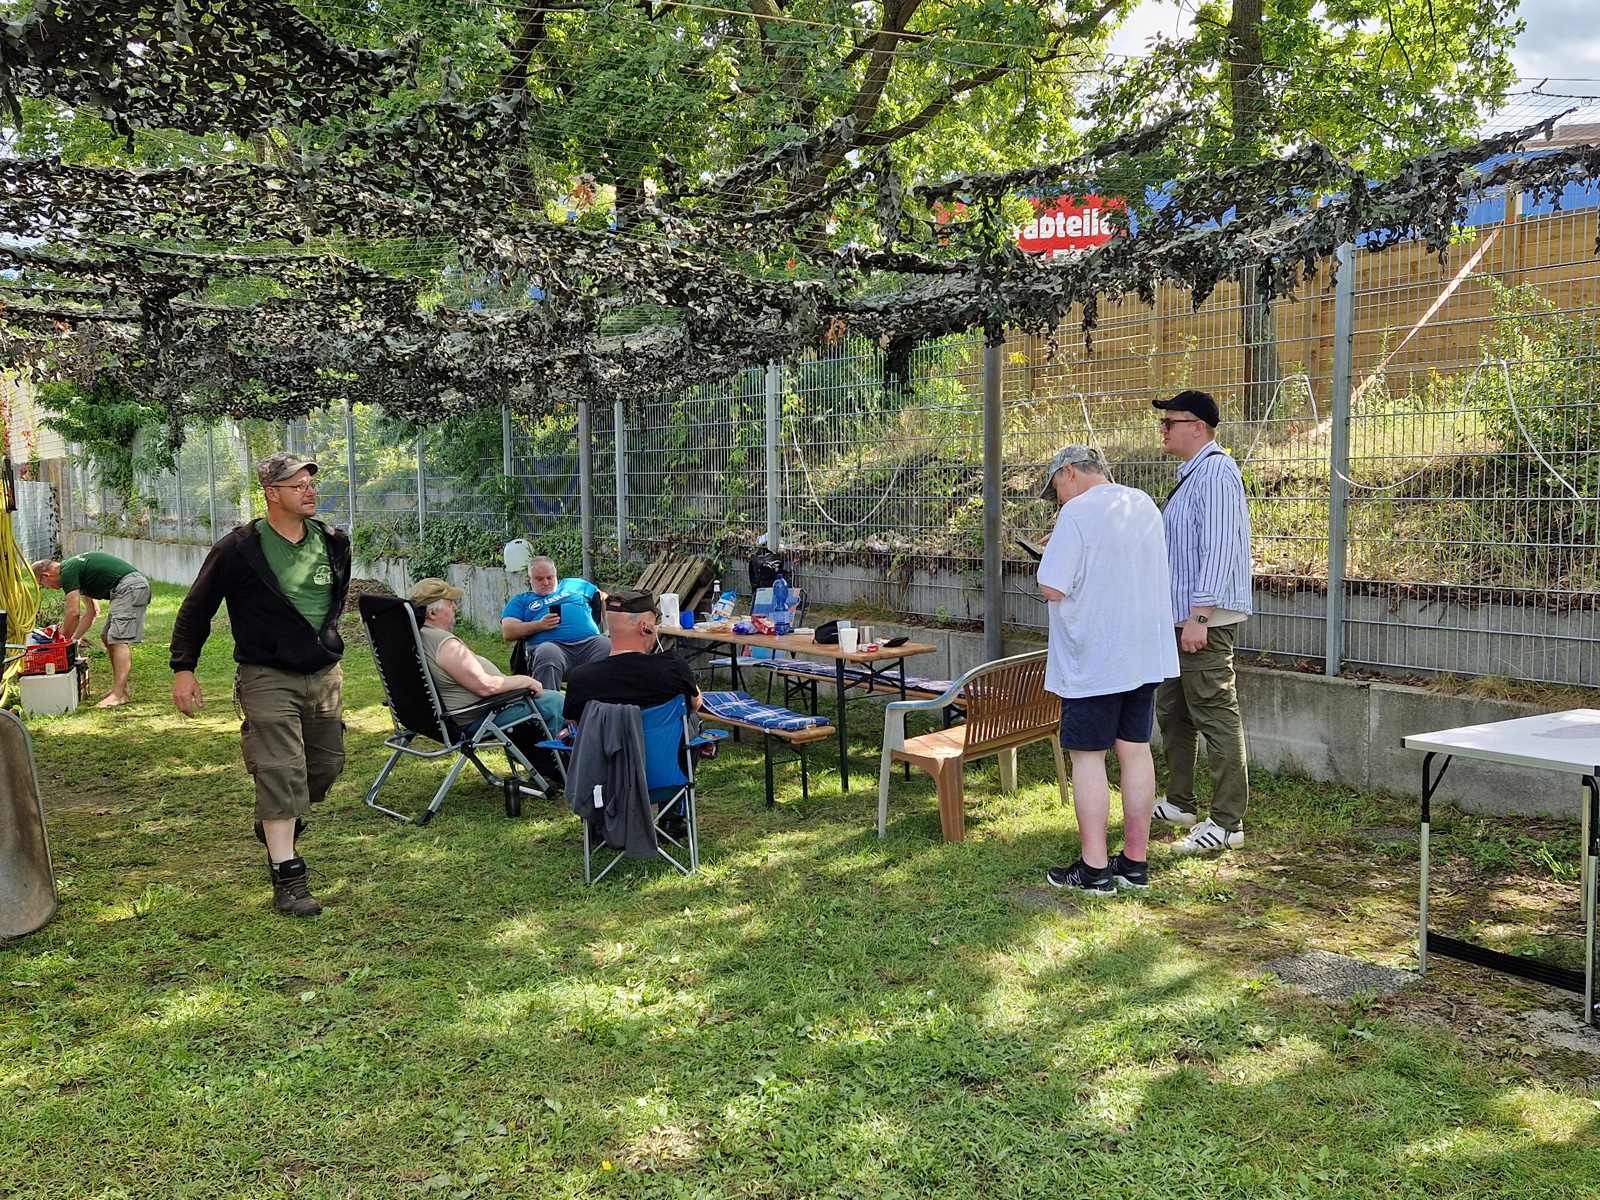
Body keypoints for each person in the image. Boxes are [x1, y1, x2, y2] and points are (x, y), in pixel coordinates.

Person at [170, 452, 350, 918]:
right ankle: (288, 878)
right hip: (266, 675)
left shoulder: (334, 542)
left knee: (325, 765)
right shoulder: (238, 549)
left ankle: (277, 816)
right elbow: (197, 608)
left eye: (311, 482)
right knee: (280, 769)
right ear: (272, 494)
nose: (310, 490)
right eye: (298, 485)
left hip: (323, 672)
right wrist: (184, 668)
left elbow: (330, 603)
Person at [1036, 445, 1178, 896]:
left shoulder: (1075, 514)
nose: (1057, 498)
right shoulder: (1142, 504)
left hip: (1095, 658)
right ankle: (1134, 863)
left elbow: (1052, 588)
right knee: (1135, 751)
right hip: (1143, 653)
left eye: (1055, 487)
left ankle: (1095, 869)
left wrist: (1053, 551)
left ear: (1070, 472)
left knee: (1088, 758)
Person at [1150, 388, 1255, 853]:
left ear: (1198, 428)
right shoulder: (1192, 476)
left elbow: (1218, 549)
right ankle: (1180, 802)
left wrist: (1199, 616)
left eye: (1170, 422)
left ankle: (1228, 824)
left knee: (1214, 712)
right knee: (1173, 710)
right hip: (1183, 619)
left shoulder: (1215, 472)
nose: (1163, 429)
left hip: (1201, 620)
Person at [562, 588, 702, 840]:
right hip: (662, 778)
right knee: (690, 721)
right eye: (655, 624)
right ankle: (672, 816)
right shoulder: (672, 668)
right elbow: (695, 704)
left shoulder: (581, 679)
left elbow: (579, 727)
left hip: (606, 782)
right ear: (645, 628)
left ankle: (599, 818)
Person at [408, 576, 564, 766]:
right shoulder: (444, 644)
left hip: (436, 719)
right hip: (475, 716)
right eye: (451, 604)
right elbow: (486, 687)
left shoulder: (414, 638)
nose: (455, 608)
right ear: (432, 613)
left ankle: (539, 759)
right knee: (554, 701)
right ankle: (559, 765)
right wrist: (526, 681)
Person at [32, 552, 152, 707]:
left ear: (46, 575)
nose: (48, 588)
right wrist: (75, 639)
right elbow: (92, 610)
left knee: (118, 640)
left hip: (131, 588)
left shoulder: (67, 572)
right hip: (128, 588)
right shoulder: (75, 570)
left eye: (43, 585)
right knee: (107, 637)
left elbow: (73, 612)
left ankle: (117, 695)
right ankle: (122, 688)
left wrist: (60, 643)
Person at [500, 556, 610, 691]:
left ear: (556, 576)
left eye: (550, 577)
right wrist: (539, 625)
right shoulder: (521, 600)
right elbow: (508, 631)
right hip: (552, 647)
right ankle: (551, 707)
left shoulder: (575, 585)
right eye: (539, 579)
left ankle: (610, 705)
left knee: (609, 646)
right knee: (548, 653)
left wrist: (612, 628)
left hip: (590, 643)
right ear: (530, 580)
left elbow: (604, 598)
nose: (546, 583)